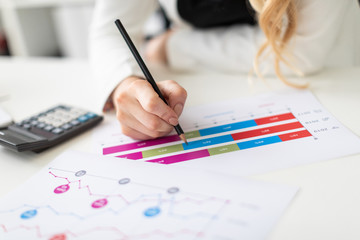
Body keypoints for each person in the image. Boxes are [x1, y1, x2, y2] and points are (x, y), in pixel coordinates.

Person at [89, 0, 360, 140]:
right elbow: (108, 30)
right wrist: (124, 82)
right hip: (210, 78)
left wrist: (174, 47)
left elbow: (299, 53)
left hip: (328, 85)